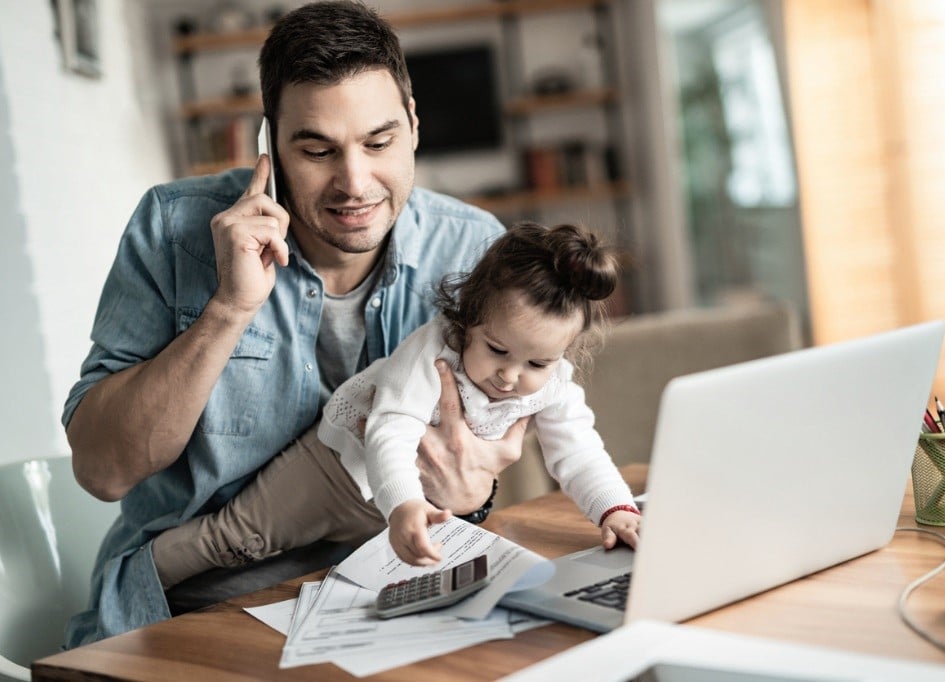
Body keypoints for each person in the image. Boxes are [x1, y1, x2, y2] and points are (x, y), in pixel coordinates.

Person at [61, 1, 519, 648]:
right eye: (317, 149)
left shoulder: (476, 251)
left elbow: (487, 454)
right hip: (199, 606)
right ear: (269, 145)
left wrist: (477, 490)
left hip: (397, 592)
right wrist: (228, 309)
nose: (354, 182)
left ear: (414, 125)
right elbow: (102, 471)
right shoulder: (172, 232)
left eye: (379, 142)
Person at [150, 222, 641, 586]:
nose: (511, 377)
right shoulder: (433, 350)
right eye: (497, 350)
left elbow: (578, 451)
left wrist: (614, 511)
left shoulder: (554, 384)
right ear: (468, 318)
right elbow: (391, 430)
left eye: (538, 363)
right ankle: (145, 574)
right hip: (336, 469)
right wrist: (405, 504)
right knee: (236, 540)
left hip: (398, 507)